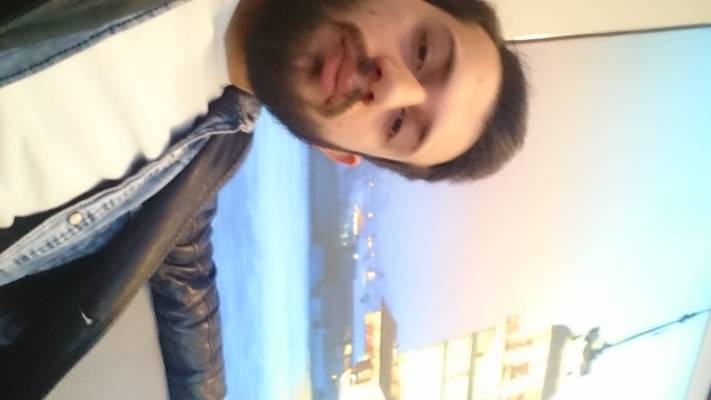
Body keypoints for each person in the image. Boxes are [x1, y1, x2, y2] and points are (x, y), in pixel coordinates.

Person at [0, 0, 528, 398]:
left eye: (397, 126)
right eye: (423, 51)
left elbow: (188, 280)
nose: (390, 89)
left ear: (338, 151)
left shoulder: (201, 159)